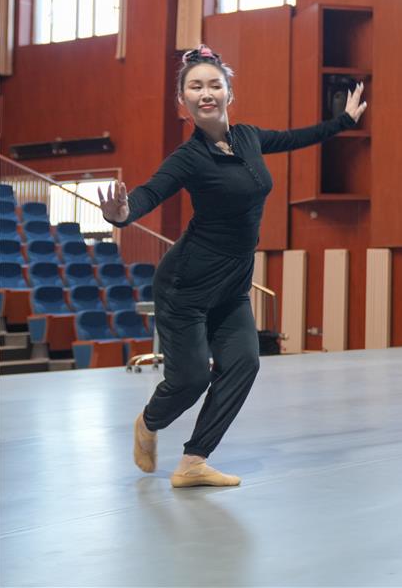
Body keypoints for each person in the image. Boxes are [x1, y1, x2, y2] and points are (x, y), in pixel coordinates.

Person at [101, 46, 367, 487]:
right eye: (195, 87)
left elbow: (296, 137)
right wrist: (123, 214)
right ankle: (148, 423)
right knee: (189, 381)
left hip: (232, 284)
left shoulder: (248, 138)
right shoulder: (188, 158)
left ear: (229, 92)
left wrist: (343, 122)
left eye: (214, 84)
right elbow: (150, 192)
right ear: (183, 102)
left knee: (244, 363)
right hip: (185, 285)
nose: (206, 93)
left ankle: (193, 462)